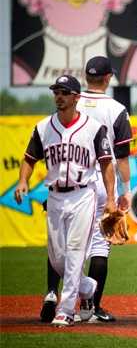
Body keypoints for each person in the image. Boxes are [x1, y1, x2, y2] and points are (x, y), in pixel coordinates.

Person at [15, 74, 116, 327]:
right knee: (57, 257)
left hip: (84, 194)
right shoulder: (43, 127)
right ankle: (88, 287)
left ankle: (66, 309)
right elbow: (29, 158)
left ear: (76, 97)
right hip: (56, 196)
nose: (59, 96)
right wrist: (22, 181)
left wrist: (112, 199)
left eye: (64, 92)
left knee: (74, 253)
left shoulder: (93, 127)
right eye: (56, 92)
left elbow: (106, 165)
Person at [40, 56, 133, 324]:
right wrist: (125, 190)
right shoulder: (116, 108)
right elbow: (123, 156)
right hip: (100, 183)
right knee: (98, 246)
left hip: (66, 178)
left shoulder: (72, 102)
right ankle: (89, 307)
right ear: (108, 78)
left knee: (61, 243)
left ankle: (50, 293)